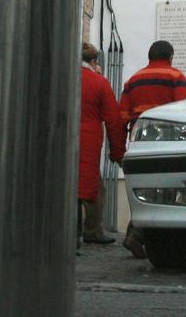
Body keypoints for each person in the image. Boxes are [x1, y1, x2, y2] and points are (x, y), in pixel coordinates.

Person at [117, 40, 186, 257]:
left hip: (140, 139)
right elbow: (183, 111)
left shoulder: (133, 80)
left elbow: (122, 116)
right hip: (168, 140)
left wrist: (120, 149)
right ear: (170, 56)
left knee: (143, 187)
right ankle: (138, 234)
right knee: (166, 189)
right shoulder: (176, 77)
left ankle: (136, 233)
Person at [78, 42, 125, 245]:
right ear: (94, 61)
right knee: (94, 188)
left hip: (58, 139)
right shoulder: (99, 83)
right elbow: (114, 121)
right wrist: (117, 153)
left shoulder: (59, 77)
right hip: (88, 143)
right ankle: (93, 230)